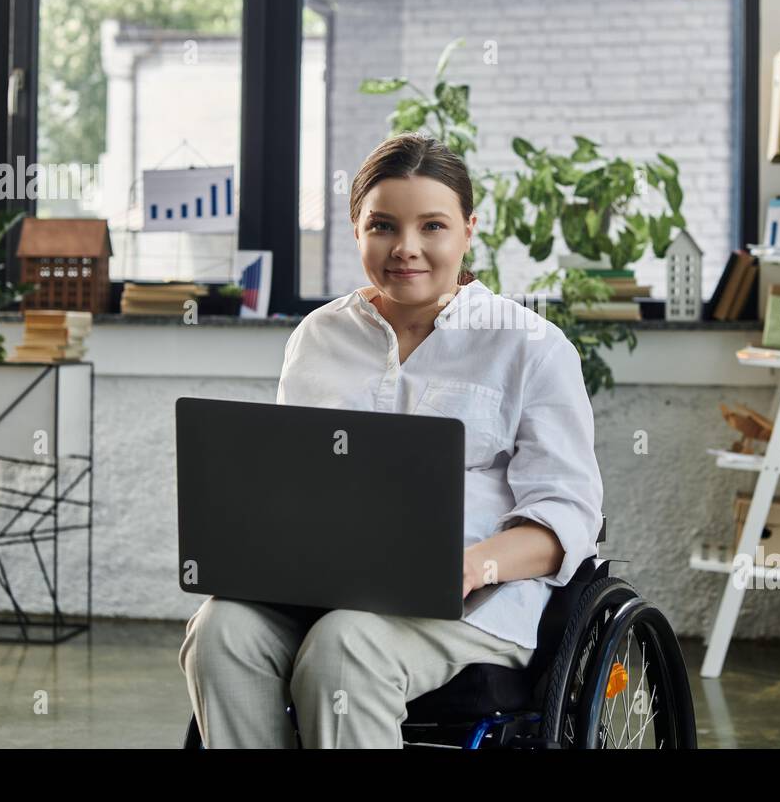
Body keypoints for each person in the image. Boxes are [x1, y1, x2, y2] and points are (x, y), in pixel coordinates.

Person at [179, 132, 604, 748]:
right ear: (357, 230)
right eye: (383, 226)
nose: (406, 248)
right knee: (220, 631)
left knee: (345, 645)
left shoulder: (530, 346)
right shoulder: (319, 336)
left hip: (476, 603)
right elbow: (290, 485)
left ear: (468, 230)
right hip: (325, 586)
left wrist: (466, 568)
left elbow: (566, 516)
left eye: (432, 226)